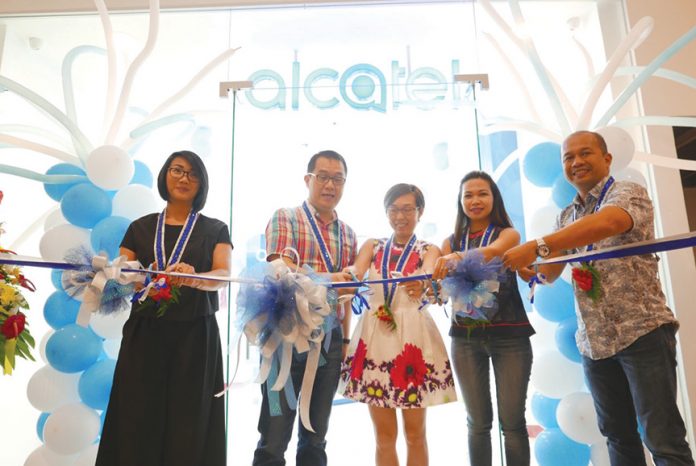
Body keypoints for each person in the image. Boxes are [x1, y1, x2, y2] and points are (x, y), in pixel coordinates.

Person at [503, 131, 695, 466]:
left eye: (585, 153)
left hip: (643, 332)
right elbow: (547, 273)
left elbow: (609, 222)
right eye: (568, 157)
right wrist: (524, 268)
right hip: (595, 342)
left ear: (606, 159)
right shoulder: (566, 217)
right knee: (617, 437)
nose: (576, 162)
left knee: (663, 438)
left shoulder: (626, 192)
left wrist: (536, 247)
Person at [96, 150, 233, 466]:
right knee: (137, 414)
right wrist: (142, 275)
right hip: (146, 333)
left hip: (196, 335)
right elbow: (121, 274)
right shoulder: (139, 227)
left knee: (190, 419)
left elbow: (223, 275)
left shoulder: (215, 228)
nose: (184, 178)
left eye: (192, 173)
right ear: (164, 176)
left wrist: (194, 278)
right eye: (177, 170)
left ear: (202, 183)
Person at [253, 150, 357, 466]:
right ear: (307, 179)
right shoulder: (286, 217)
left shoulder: (349, 233)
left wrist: (346, 340)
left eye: (337, 179)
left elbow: (346, 294)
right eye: (323, 177)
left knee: (316, 436)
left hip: (329, 340)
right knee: (274, 433)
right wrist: (331, 278)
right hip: (283, 337)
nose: (330, 185)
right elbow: (280, 271)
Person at [342, 183, 456, 466]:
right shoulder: (372, 245)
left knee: (416, 434)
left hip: (412, 343)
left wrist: (425, 283)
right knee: (383, 436)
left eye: (407, 209)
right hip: (374, 338)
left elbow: (430, 276)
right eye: (393, 209)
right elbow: (357, 271)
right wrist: (348, 274)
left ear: (420, 211)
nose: (400, 216)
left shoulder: (429, 249)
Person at [431, 171, 534, 466]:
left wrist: (457, 258)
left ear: (494, 198)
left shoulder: (508, 234)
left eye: (482, 194)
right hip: (465, 339)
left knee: (513, 423)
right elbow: (442, 289)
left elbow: (494, 252)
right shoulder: (450, 242)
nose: (475, 200)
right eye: (468, 195)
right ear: (460, 201)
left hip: (511, 336)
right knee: (477, 423)